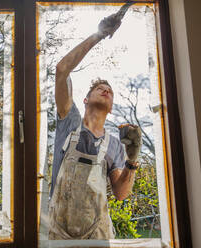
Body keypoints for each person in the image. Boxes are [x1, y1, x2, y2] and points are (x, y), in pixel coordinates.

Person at [48, 6, 142, 240]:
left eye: (109, 90)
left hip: (97, 235)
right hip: (59, 234)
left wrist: (132, 159)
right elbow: (62, 70)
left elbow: (121, 193)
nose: (105, 90)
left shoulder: (114, 144)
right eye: (99, 88)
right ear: (85, 99)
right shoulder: (69, 121)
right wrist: (99, 34)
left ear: (110, 108)